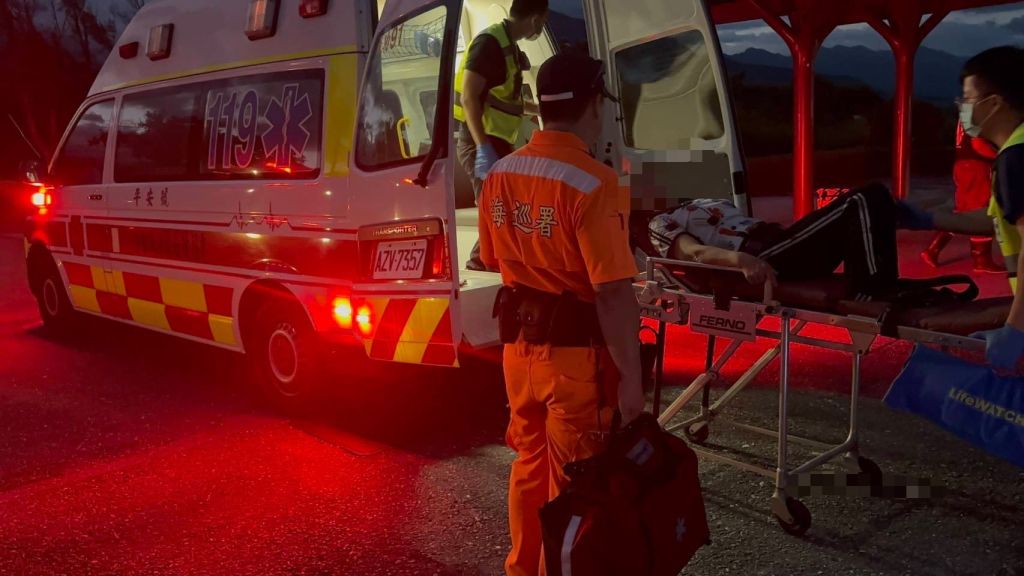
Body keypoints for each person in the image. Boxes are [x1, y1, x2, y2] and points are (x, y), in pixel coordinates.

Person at [477, 52, 645, 576]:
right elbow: (612, 293)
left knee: (529, 468)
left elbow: (490, 258)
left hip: (519, 355)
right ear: (594, 104)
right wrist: (632, 380)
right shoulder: (596, 183)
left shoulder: (500, 174)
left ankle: (523, 569)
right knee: (575, 482)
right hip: (575, 363)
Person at [898, 46, 1024, 370]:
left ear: (994, 104)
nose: (963, 108)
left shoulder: (1016, 158)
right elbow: (995, 219)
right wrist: (928, 219)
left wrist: (1016, 329)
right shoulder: (1012, 150)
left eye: (968, 98)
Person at [648, 184, 900, 299]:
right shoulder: (660, 221)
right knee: (862, 199)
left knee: (875, 199)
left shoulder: (702, 202)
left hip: (778, 241)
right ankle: (872, 288)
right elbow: (694, 253)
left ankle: (878, 282)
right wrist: (742, 261)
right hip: (763, 254)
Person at [455, 0, 547, 270]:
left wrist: (541, 109)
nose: (541, 27)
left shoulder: (508, 46)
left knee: (503, 205)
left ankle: (494, 264)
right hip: (480, 141)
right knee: (496, 208)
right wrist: (483, 147)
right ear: (535, 19)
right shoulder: (489, 44)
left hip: (496, 143)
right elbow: (469, 97)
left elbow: (504, 100)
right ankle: (479, 265)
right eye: (543, 21)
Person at [920, 121, 1003, 273]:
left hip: (964, 163)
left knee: (964, 210)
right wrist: (1001, 154)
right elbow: (978, 144)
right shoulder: (979, 113)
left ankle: (933, 250)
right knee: (979, 208)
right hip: (976, 166)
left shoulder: (967, 114)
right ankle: (981, 260)